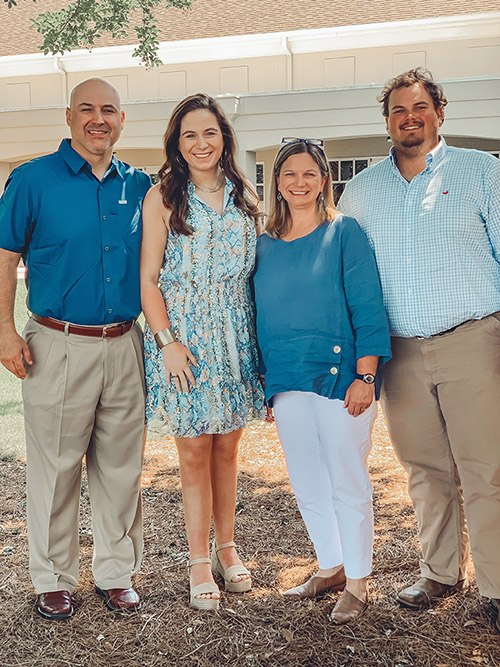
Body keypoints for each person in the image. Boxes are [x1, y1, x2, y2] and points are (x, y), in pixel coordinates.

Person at [338, 68, 500, 632]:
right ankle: (439, 572)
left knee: (485, 467)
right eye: (399, 110)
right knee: (425, 468)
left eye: (420, 107)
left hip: (472, 340)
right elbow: (352, 279)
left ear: (439, 112)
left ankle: (498, 585)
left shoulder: (483, 173)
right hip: (399, 352)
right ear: (386, 120)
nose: (410, 117)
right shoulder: (360, 191)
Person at [0, 78, 151, 620]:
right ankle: (53, 577)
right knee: (57, 468)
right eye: (86, 108)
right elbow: (3, 259)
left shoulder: (140, 186)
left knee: (120, 469)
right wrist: (4, 332)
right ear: (68, 117)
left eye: (108, 109)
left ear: (121, 120)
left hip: (125, 343)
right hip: (57, 344)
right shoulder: (31, 180)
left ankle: (115, 572)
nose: (98, 118)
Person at [252, 138, 391, 624]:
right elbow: (261, 314)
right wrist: (266, 381)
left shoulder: (344, 233)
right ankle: (331, 567)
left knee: (346, 479)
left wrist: (366, 375)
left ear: (324, 180)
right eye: (289, 173)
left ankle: (358, 581)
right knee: (308, 481)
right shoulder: (263, 244)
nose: (299, 182)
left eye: (309, 173)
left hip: (342, 379)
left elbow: (369, 307)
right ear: (277, 184)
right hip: (287, 380)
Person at [140, 93, 264, 611]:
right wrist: (167, 343)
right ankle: (196, 560)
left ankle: (227, 550)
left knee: (228, 449)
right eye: (189, 134)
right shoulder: (164, 197)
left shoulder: (245, 195)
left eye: (209, 132)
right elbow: (147, 279)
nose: (200, 143)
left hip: (235, 335)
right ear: (177, 142)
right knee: (193, 450)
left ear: (224, 137)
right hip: (184, 341)